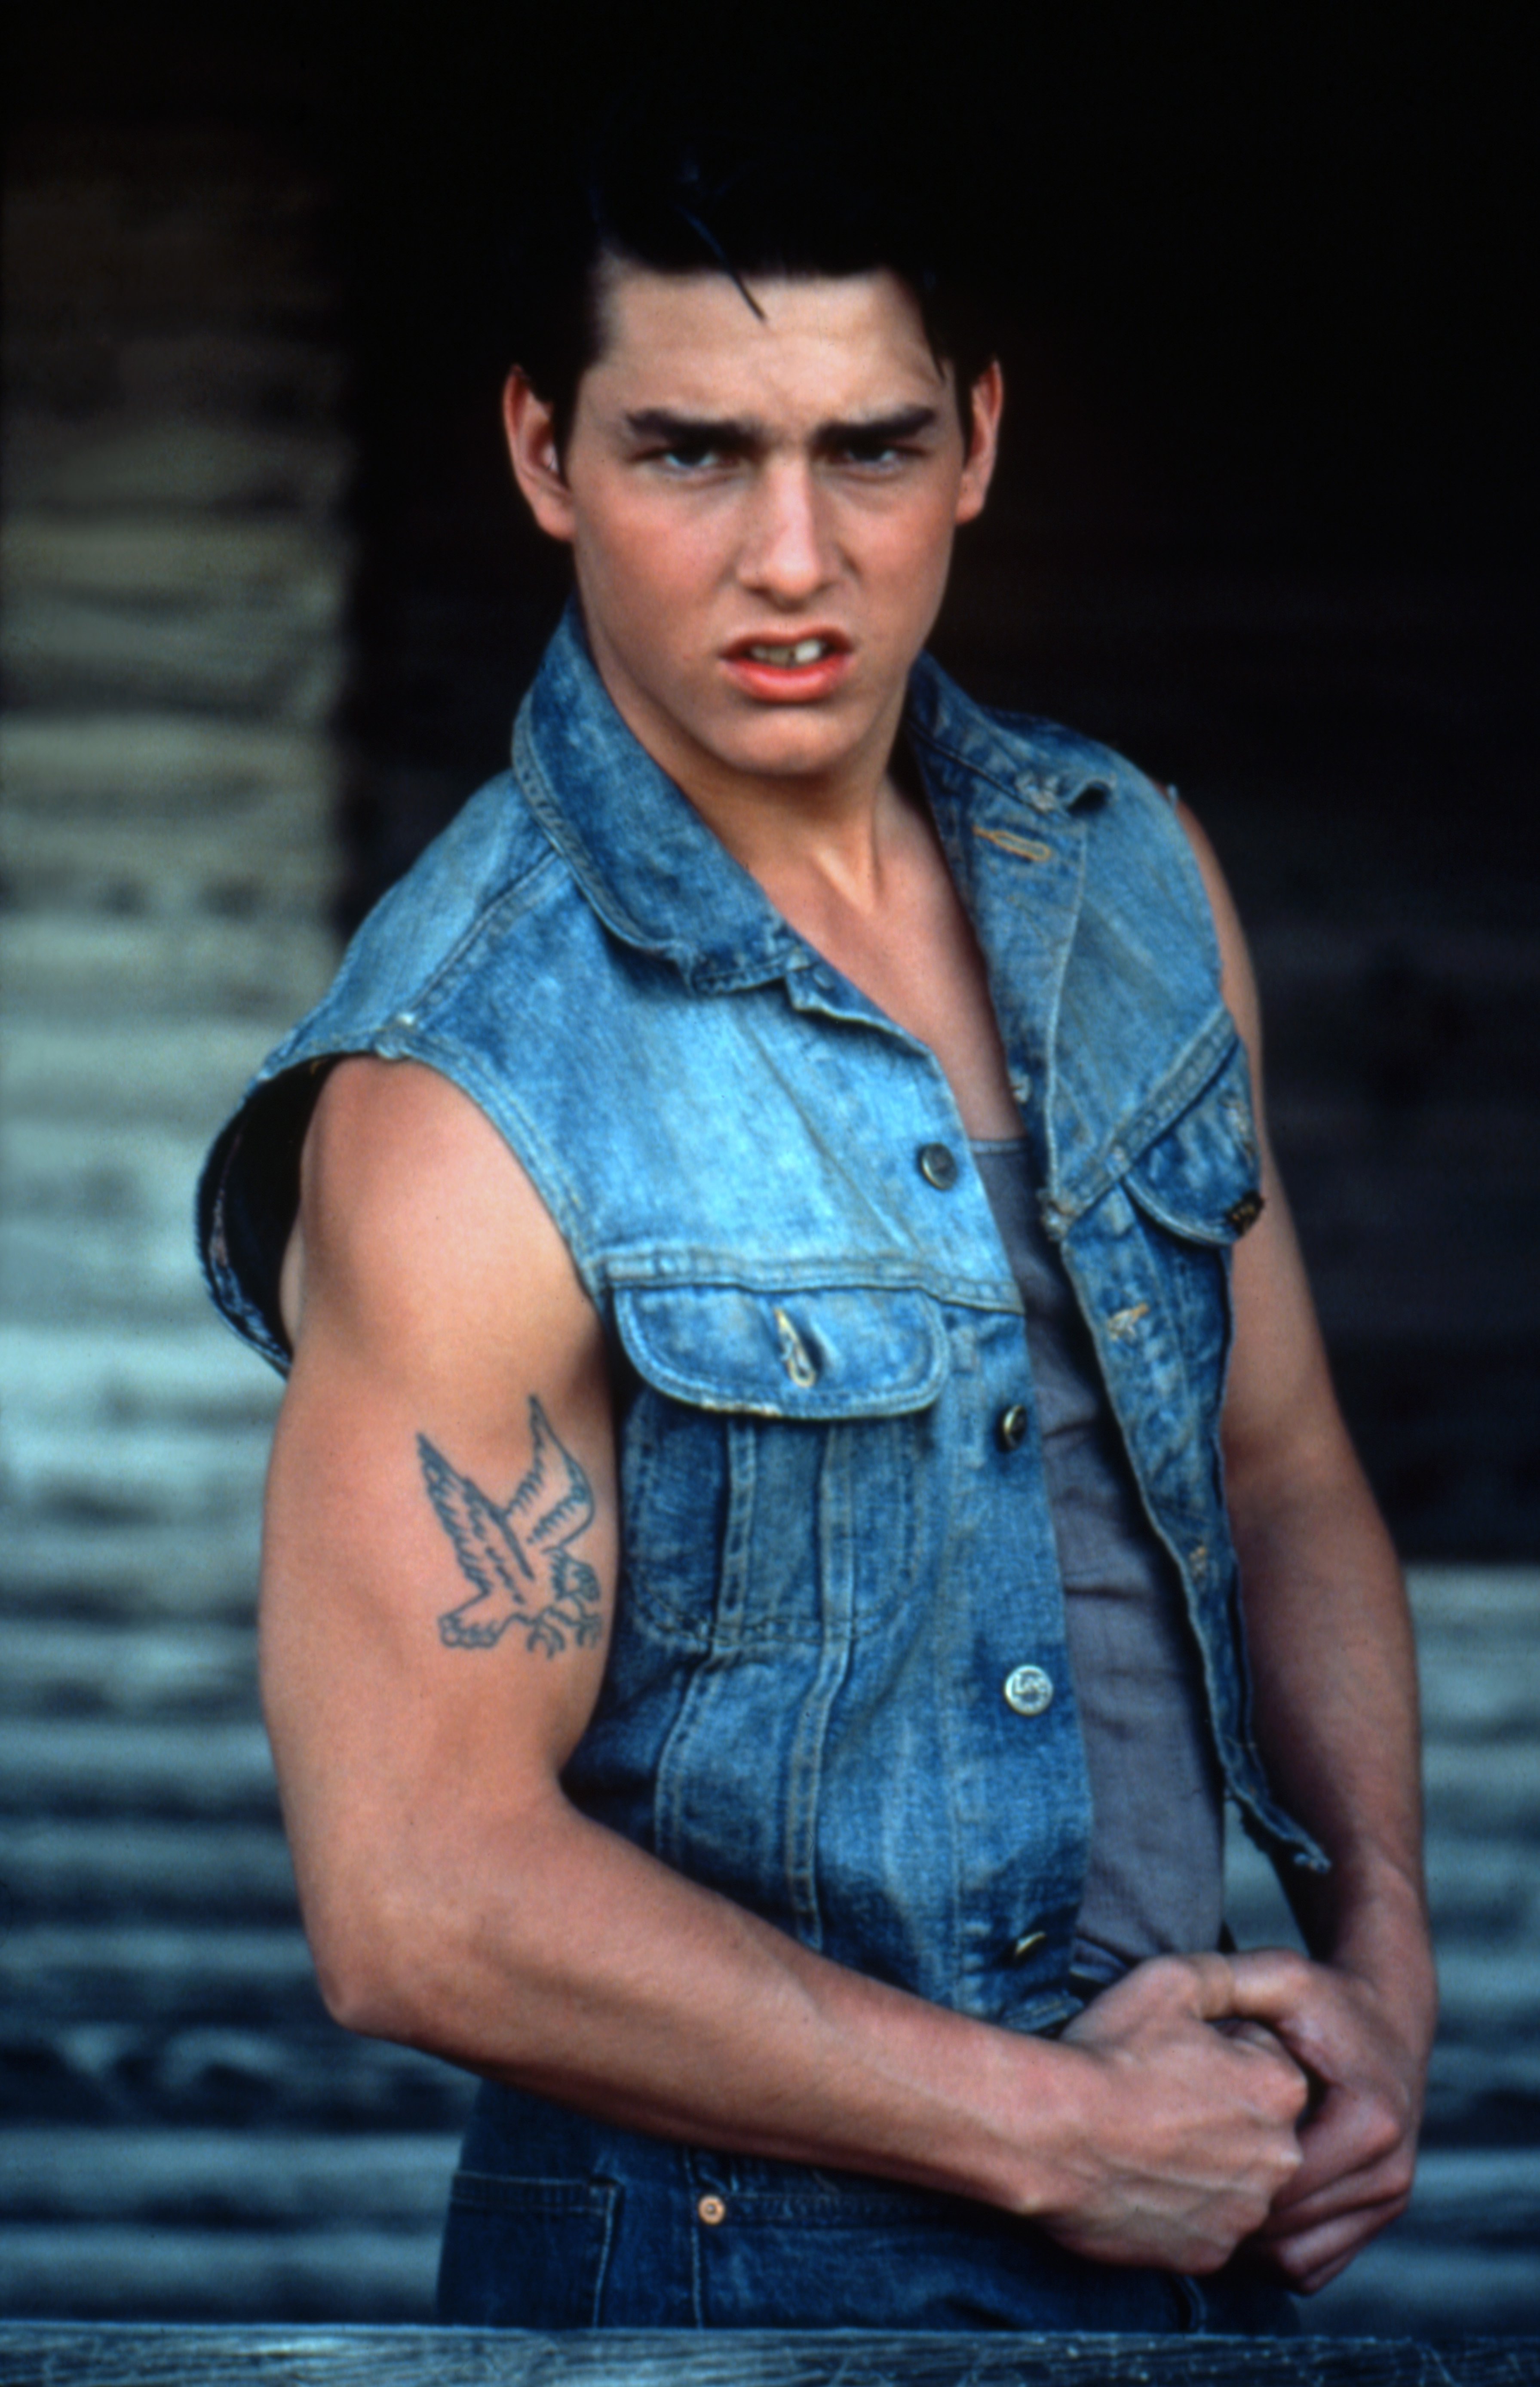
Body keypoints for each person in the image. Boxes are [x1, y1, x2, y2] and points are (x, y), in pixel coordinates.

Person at [197, 76, 1435, 2335]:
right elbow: (413, 1890)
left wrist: (1378, 1968)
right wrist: (1051, 2130)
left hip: (1190, 2242)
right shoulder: (465, 1083)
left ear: (973, 441)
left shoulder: (1131, 883)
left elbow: (1282, 1471)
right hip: (714, 2295)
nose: (795, 556)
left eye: (866, 449)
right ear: (544, 455)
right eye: (691, 453)